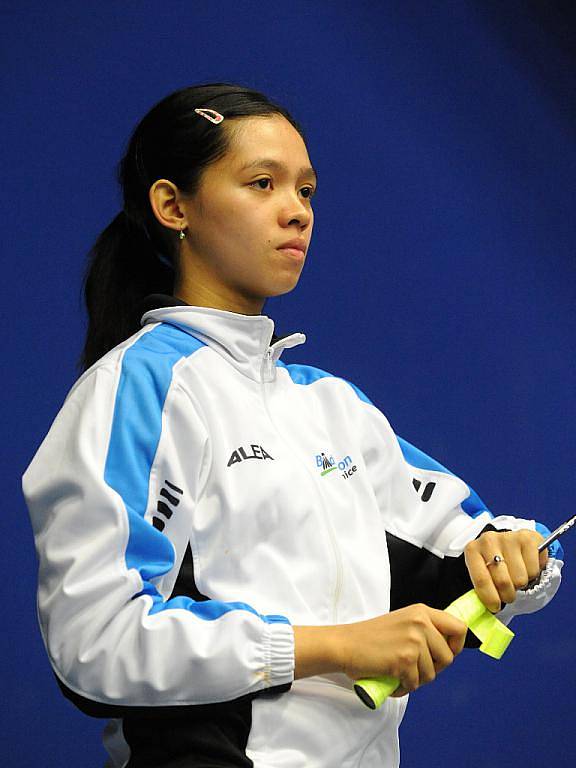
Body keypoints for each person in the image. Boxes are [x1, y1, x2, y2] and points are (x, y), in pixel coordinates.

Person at [22, 83, 564, 768]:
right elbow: (95, 640)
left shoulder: (330, 406)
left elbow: (459, 547)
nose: (295, 213)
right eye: (262, 183)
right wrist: (336, 646)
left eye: (305, 192)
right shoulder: (138, 391)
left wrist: (516, 554)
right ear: (173, 205)